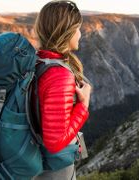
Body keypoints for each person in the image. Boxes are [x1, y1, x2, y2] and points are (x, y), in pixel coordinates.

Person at [33, 1, 91, 179]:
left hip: (32, 160)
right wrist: (83, 105)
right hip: (51, 171)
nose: (80, 34)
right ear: (67, 31)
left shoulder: (37, 61)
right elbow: (55, 143)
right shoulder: (59, 75)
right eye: (78, 28)